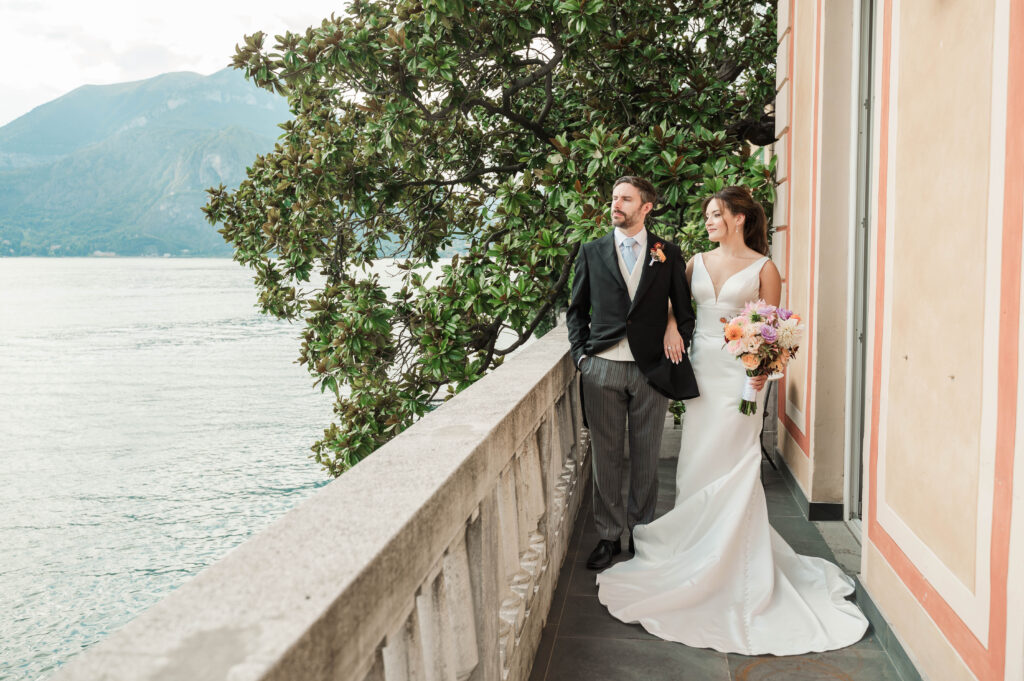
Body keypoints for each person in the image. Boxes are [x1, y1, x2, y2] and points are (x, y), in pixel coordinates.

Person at [595, 186, 868, 655]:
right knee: (697, 459)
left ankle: (734, 564)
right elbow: (670, 304)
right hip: (700, 369)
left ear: (740, 218)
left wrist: (762, 372)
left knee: (736, 460)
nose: (708, 221)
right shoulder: (693, 261)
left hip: (742, 378)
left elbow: (773, 328)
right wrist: (673, 327)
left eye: (716, 214)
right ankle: (693, 550)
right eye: (707, 215)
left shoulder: (766, 269)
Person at [566, 176, 699, 571]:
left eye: (625, 198)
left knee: (645, 457)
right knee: (605, 458)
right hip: (601, 368)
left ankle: (642, 534)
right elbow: (576, 312)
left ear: (646, 207)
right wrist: (581, 359)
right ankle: (608, 537)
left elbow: (685, 310)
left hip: (651, 370)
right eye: (613, 197)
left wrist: (675, 329)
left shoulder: (667, 253)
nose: (616, 203)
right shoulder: (590, 251)